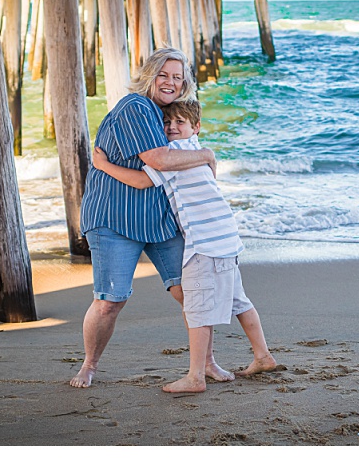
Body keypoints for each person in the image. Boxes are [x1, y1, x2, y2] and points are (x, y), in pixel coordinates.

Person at [92, 99, 278, 393]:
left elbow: (141, 181)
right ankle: (263, 355)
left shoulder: (175, 154)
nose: (172, 128)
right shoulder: (198, 153)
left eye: (180, 122)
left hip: (203, 242)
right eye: (167, 123)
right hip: (225, 236)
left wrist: (103, 165)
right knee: (236, 300)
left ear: (196, 127)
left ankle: (195, 377)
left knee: (196, 308)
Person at [70, 48, 225, 389]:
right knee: (111, 300)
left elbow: (169, 163)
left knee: (190, 290)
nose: (170, 82)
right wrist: (207, 154)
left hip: (157, 215)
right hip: (115, 216)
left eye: (177, 77)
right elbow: (160, 160)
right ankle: (89, 366)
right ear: (149, 75)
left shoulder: (166, 113)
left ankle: (207, 363)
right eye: (164, 75)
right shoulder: (136, 106)